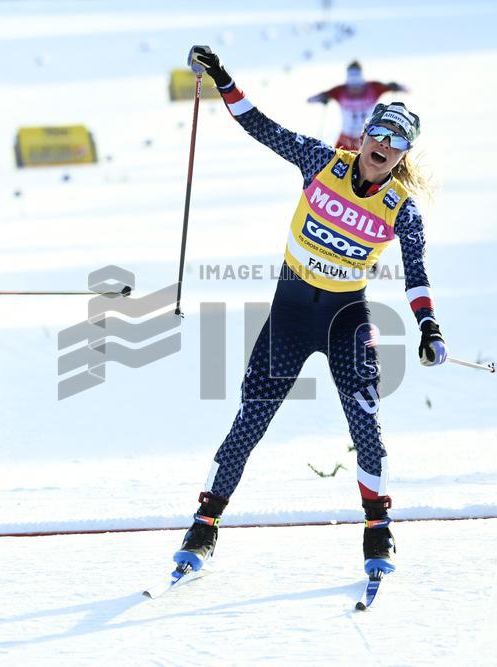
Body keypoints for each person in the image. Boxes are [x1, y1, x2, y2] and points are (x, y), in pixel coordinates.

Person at [177, 47, 447, 577]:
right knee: (249, 421)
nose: (384, 148)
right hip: (291, 317)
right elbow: (259, 124)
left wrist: (428, 326)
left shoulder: (402, 210)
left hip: (346, 320)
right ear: (365, 134)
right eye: (380, 135)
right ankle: (204, 525)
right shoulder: (320, 161)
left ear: (403, 156)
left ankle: (377, 530)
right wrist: (223, 77)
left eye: (397, 145)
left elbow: (416, 275)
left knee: (366, 423)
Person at [307, 61, 408, 150]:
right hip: (345, 141)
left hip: (368, 139)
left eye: (357, 81)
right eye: (351, 81)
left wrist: (395, 86)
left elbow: (405, 88)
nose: (354, 88)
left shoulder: (373, 88)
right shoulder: (340, 91)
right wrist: (323, 97)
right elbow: (310, 100)